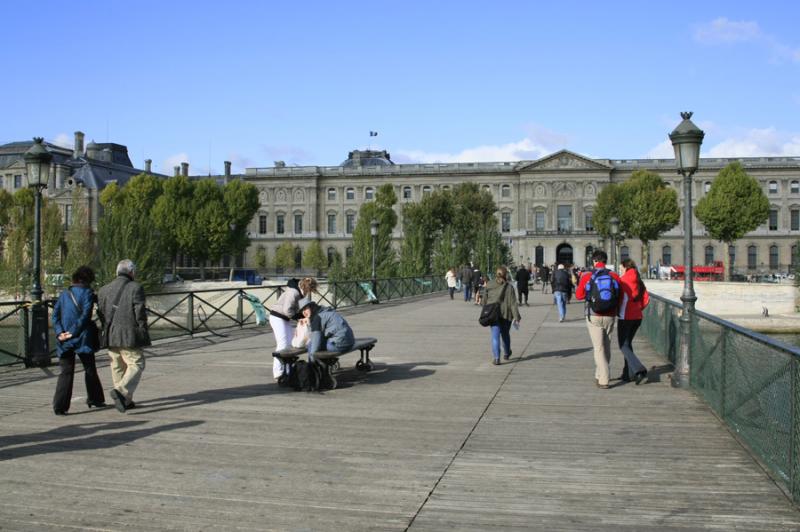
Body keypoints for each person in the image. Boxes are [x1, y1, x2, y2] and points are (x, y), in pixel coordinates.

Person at [97, 259, 150, 413]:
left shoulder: (103, 290)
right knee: (136, 363)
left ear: (117, 272)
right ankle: (121, 391)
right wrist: (143, 331)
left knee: (117, 365)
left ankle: (125, 400)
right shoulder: (136, 288)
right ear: (132, 272)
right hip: (129, 334)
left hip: (111, 334)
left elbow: (101, 313)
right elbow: (139, 313)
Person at [51, 266, 105, 415]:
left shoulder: (64, 294)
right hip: (82, 337)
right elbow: (85, 316)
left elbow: (55, 316)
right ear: (88, 280)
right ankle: (95, 398)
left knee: (66, 372)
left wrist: (60, 333)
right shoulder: (87, 293)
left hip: (64, 340)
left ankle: (60, 406)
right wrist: (73, 332)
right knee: (89, 368)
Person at [575, 250, 623, 389]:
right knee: (606, 346)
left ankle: (604, 379)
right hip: (610, 315)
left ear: (594, 261)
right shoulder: (614, 275)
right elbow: (620, 295)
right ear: (605, 261)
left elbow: (579, 295)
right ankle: (599, 374)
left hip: (594, 315)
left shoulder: (587, 276)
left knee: (598, 348)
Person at [268, 277, 318, 379]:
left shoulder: (299, 291)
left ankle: (287, 369)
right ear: (306, 287)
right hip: (277, 317)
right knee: (282, 343)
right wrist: (298, 318)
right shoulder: (294, 292)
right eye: (310, 290)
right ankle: (278, 371)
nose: (310, 292)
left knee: (290, 343)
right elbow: (287, 310)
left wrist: (302, 316)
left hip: (284, 318)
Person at [617, 259, 649, 384]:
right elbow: (646, 298)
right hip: (637, 317)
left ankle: (639, 370)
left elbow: (618, 298)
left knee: (623, 345)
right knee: (628, 344)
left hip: (625, 316)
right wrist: (638, 309)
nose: (620, 271)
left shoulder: (622, 281)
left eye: (621, 268)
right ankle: (627, 374)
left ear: (625, 267)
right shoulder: (639, 281)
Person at [483, 266, 521, 365]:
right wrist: (516, 317)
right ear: (506, 274)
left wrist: (487, 308)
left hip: (493, 314)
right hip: (506, 315)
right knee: (505, 334)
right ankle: (507, 353)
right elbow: (513, 304)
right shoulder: (509, 287)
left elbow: (484, 301)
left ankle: (496, 358)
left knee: (495, 336)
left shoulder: (489, 284)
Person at [298, 296, 355, 362]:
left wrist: (312, 359)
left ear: (311, 307)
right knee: (317, 342)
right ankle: (321, 365)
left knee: (311, 345)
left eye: (305, 309)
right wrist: (309, 323)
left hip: (340, 345)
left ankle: (312, 366)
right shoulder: (325, 310)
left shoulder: (317, 318)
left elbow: (315, 342)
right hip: (350, 341)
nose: (304, 312)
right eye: (302, 311)